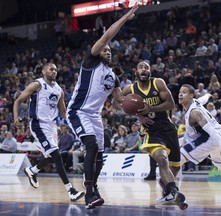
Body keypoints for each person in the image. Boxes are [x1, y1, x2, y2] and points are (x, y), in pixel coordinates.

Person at [66, 4, 139, 209]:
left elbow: (118, 101)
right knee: (90, 146)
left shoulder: (113, 76)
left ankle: (94, 188)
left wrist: (138, 106)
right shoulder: (91, 61)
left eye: (109, 51)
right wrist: (125, 17)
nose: (107, 52)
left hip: (95, 117)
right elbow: (106, 37)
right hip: (78, 111)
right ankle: (88, 191)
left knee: (99, 154)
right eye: (104, 49)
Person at [13, 63, 84, 202]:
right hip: (38, 124)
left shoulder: (59, 90)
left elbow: (63, 112)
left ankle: (32, 170)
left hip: (52, 126)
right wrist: (16, 118)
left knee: (52, 157)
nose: (54, 71)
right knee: (56, 155)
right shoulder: (36, 85)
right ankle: (71, 191)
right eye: (51, 69)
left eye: (56, 70)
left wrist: (75, 121)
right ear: (43, 71)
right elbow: (18, 100)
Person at [122, 61, 187, 209]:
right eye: (140, 67)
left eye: (146, 67)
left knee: (174, 168)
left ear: (150, 71)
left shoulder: (158, 83)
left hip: (168, 127)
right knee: (161, 159)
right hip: (151, 130)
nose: (144, 69)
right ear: (136, 72)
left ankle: (167, 194)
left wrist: (151, 108)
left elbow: (171, 104)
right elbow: (118, 100)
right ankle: (174, 193)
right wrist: (138, 116)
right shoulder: (130, 88)